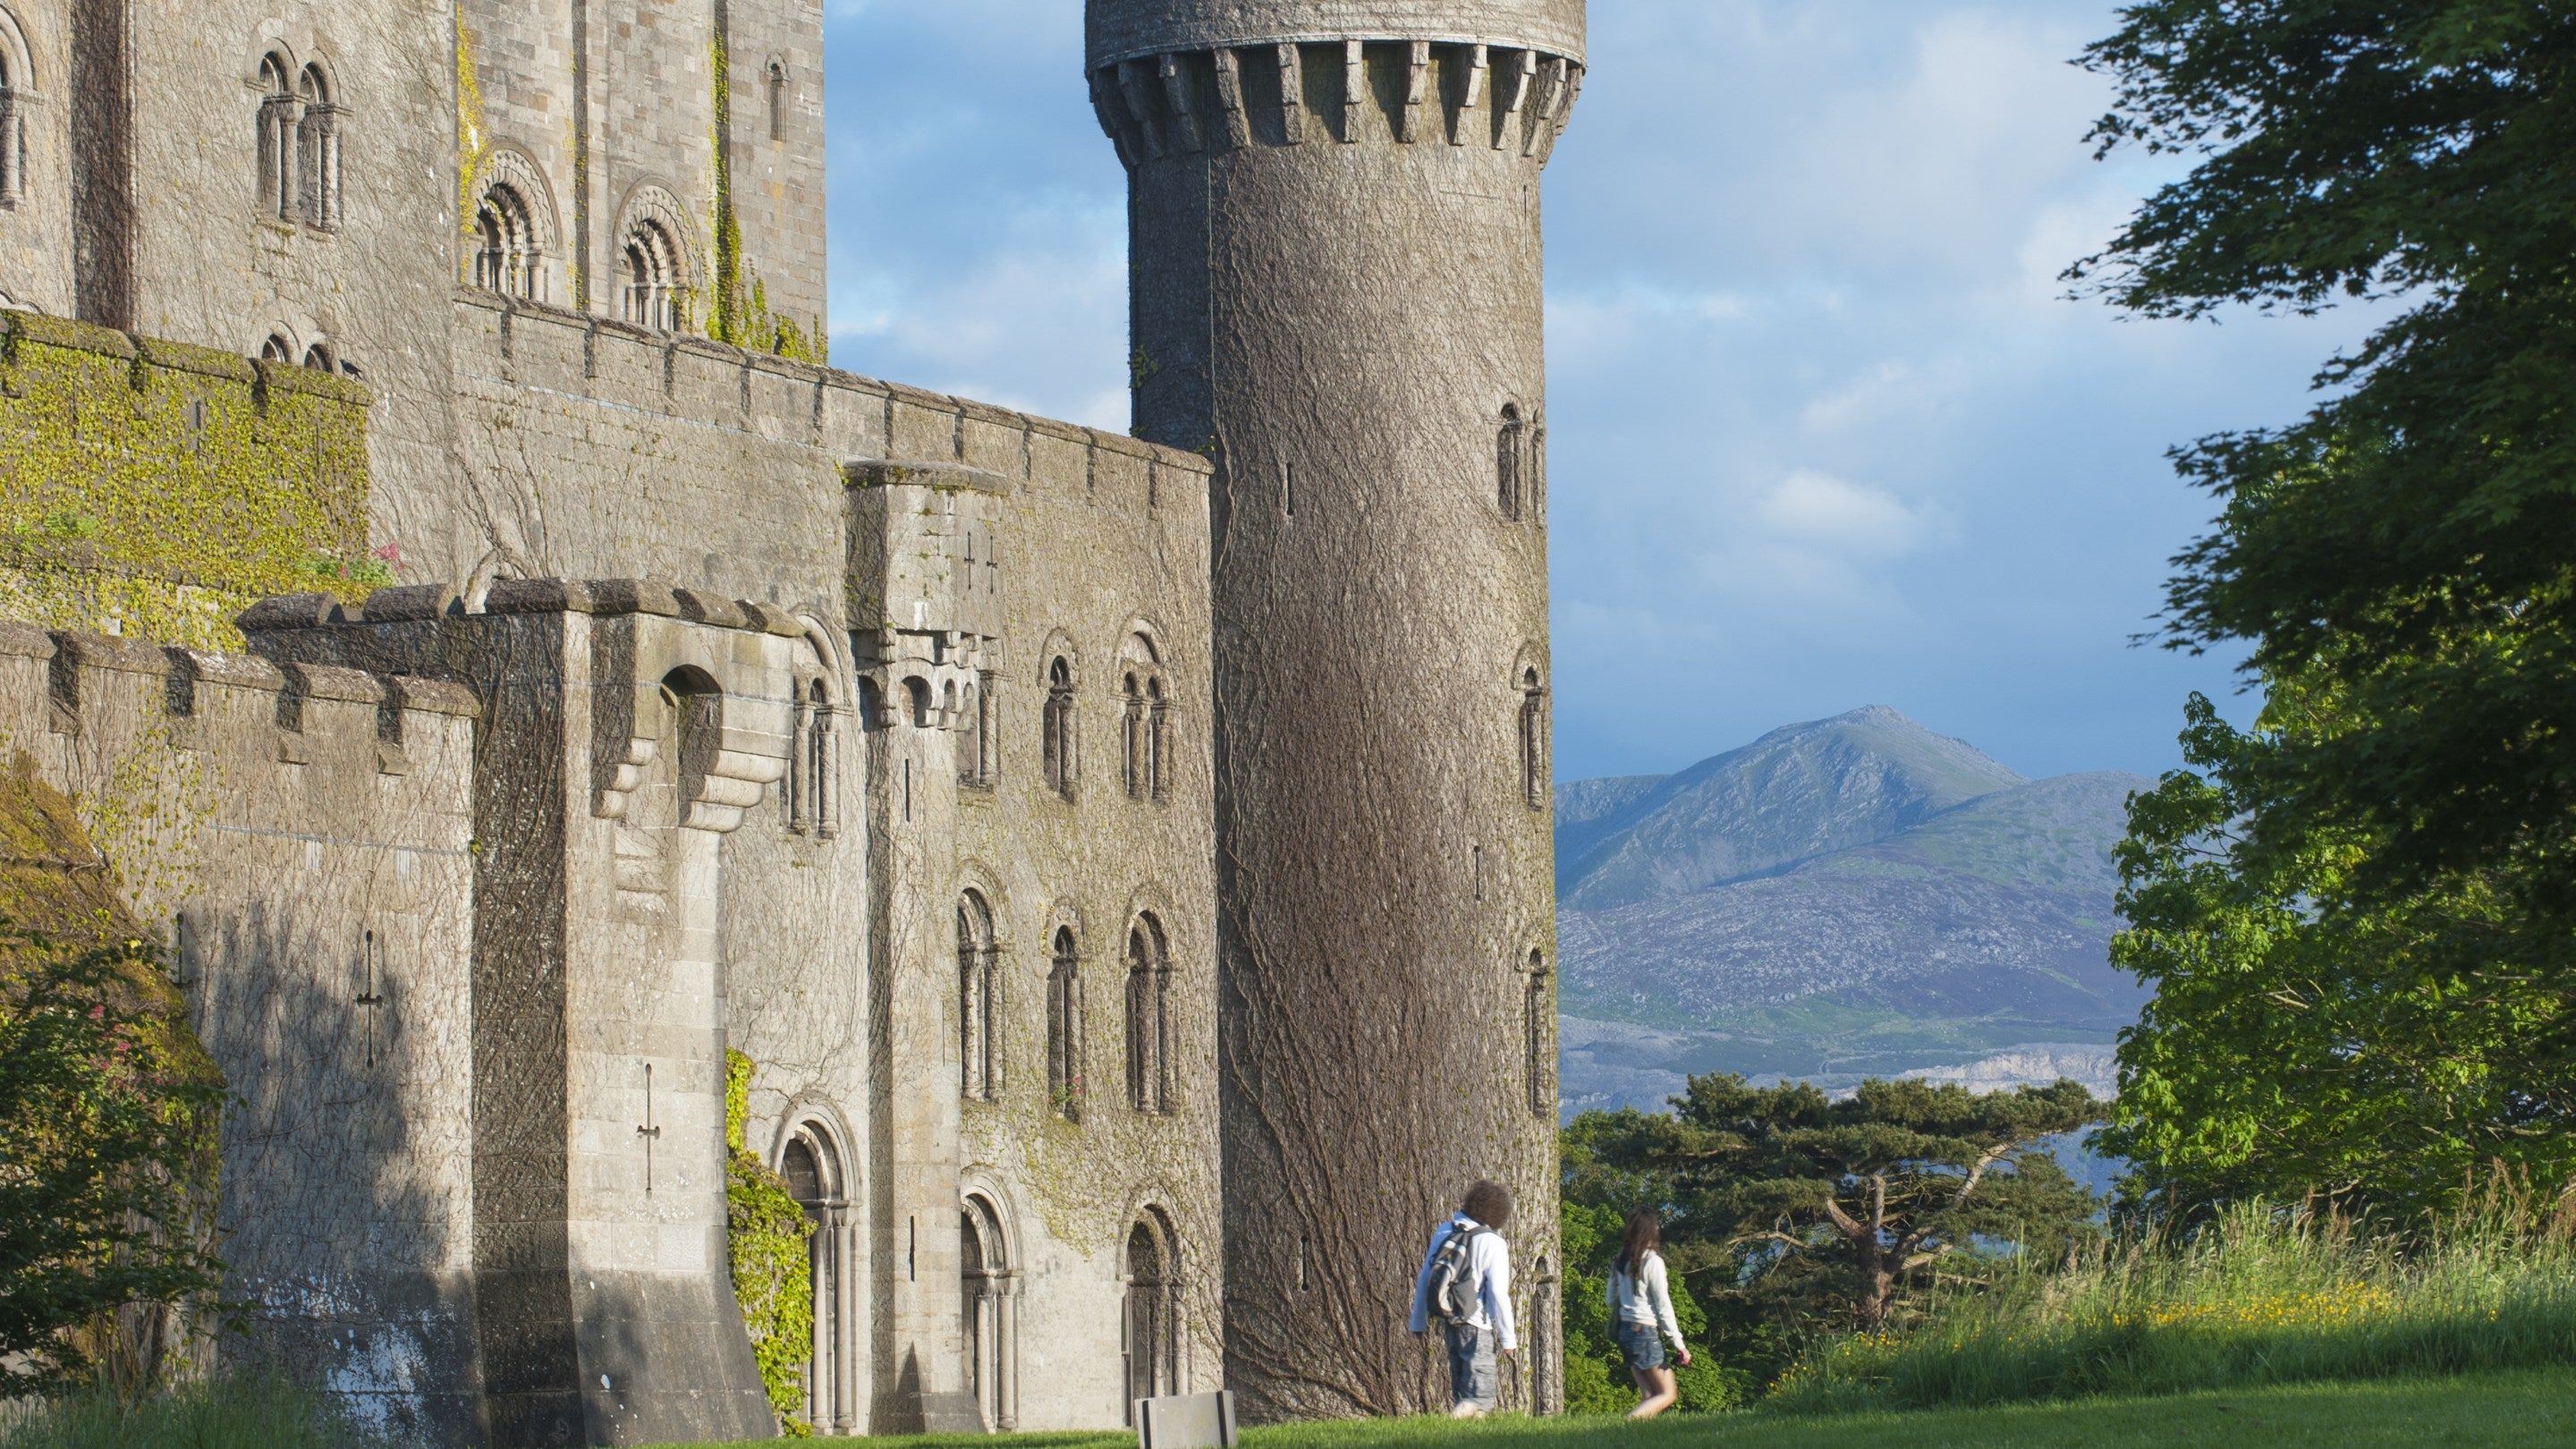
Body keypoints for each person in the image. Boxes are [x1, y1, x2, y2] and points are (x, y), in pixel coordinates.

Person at [1408, 1180, 1516, 1419]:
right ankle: (1455, 1418)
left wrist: (1418, 1321)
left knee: (1461, 1385)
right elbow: (1499, 1293)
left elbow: (1426, 1277)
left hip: (1450, 1318)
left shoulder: (1445, 1231)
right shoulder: (1493, 1243)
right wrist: (1508, 1338)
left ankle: (1466, 1434)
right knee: (1480, 1396)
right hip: (1478, 1324)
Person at [1608, 1208, 1692, 1419]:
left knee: (1649, 1395)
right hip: (1644, 1333)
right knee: (1667, 1394)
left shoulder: (1620, 1260)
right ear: (1650, 1231)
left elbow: (1610, 1299)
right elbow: (1664, 1306)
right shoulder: (1653, 1262)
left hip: (1625, 1332)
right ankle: (1626, 1424)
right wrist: (1679, 1344)